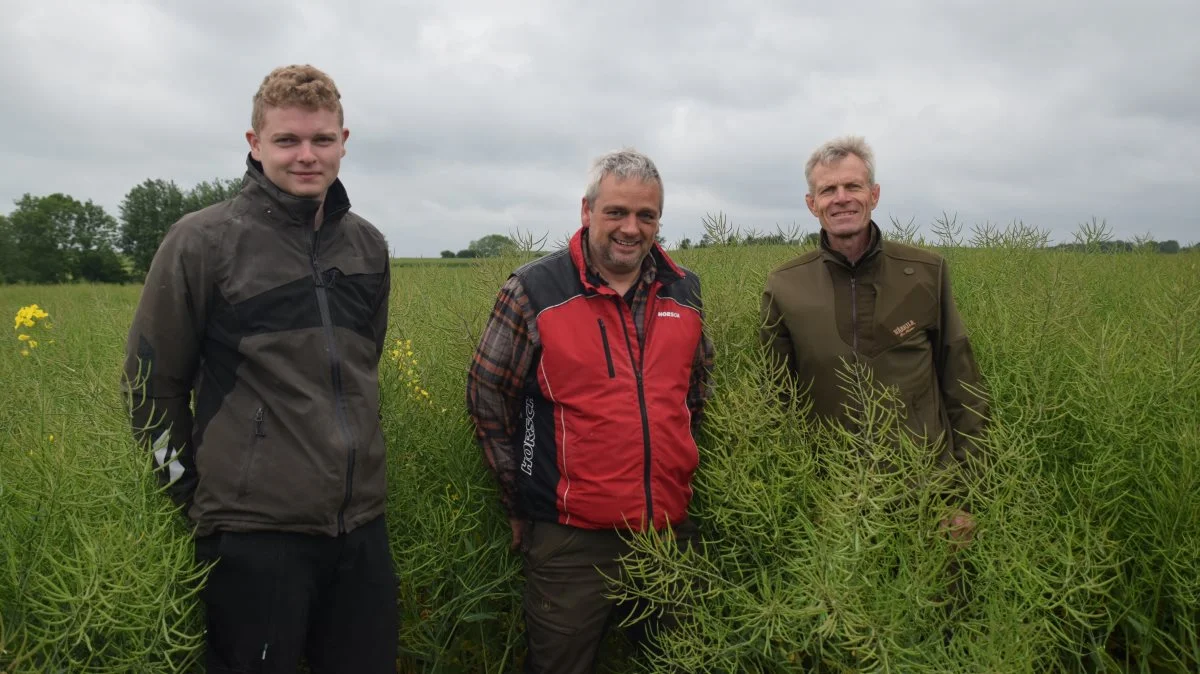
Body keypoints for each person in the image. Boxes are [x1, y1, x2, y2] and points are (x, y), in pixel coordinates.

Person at [121, 64, 396, 673]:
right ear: (254, 144)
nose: (307, 155)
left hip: (360, 530)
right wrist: (190, 495)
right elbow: (149, 387)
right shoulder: (203, 242)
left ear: (343, 142)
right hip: (253, 537)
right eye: (287, 140)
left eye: (322, 140)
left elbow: (361, 366)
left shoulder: (368, 247)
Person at [466, 148, 715, 673]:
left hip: (669, 532)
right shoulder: (536, 290)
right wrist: (519, 496)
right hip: (571, 541)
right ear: (586, 211)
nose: (631, 228)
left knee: (678, 663)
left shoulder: (684, 291)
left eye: (646, 215)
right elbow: (488, 395)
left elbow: (696, 393)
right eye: (616, 212)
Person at [759, 135, 988, 543]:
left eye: (853, 186)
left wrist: (969, 496)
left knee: (937, 604)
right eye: (828, 189)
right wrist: (793, 496)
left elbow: (963, 385)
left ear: (874, 194)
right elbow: (775, 401)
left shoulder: (925, 271)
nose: (841, 198)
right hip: (832, 502)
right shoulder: (785, 285)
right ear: (812, 204)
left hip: (930, 496)